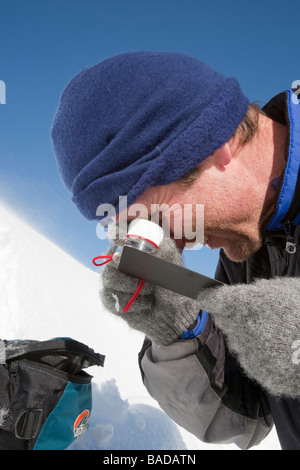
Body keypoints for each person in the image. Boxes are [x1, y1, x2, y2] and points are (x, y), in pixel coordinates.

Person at [51, 51, 300, 450]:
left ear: (215, 143)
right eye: (142, 231)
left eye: (157, 218)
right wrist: (179, 330)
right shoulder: (251, 249)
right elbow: (246, 416)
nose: (175, 244)